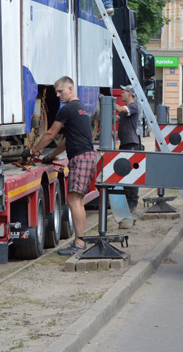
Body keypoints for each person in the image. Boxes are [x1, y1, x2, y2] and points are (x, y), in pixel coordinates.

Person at [30, 76, 99, 255]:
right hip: (88, 156)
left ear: (70, 88)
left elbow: (50, 134)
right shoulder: (81, 109)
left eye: (60, 91)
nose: (58, 95)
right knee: (78, 201)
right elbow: (67, 140)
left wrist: (34, 150)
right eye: (57, 92)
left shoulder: (67, 109)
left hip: (80, 158)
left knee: (74, 201)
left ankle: (79, 244)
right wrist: (51, 156)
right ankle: (80, 242)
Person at [114, 88, 144, 217]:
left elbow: (120, 109)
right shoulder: (126, 109)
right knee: (124, 173)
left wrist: (107, 100)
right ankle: (127, 202)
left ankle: (132, 203)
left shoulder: (133, 107)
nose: (121, 94)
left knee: (131, 175)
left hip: (131, 145)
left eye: (123, 92)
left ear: (130, 93)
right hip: (125, 144)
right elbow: (115, 118)